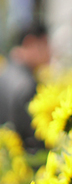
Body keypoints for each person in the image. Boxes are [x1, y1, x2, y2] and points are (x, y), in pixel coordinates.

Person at [0, 22, 50, 152]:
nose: (51, 52)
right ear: (30, 42)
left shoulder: (4, 74)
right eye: (46, 44)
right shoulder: (27, 85)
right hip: (24, 164)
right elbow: (34, 141)